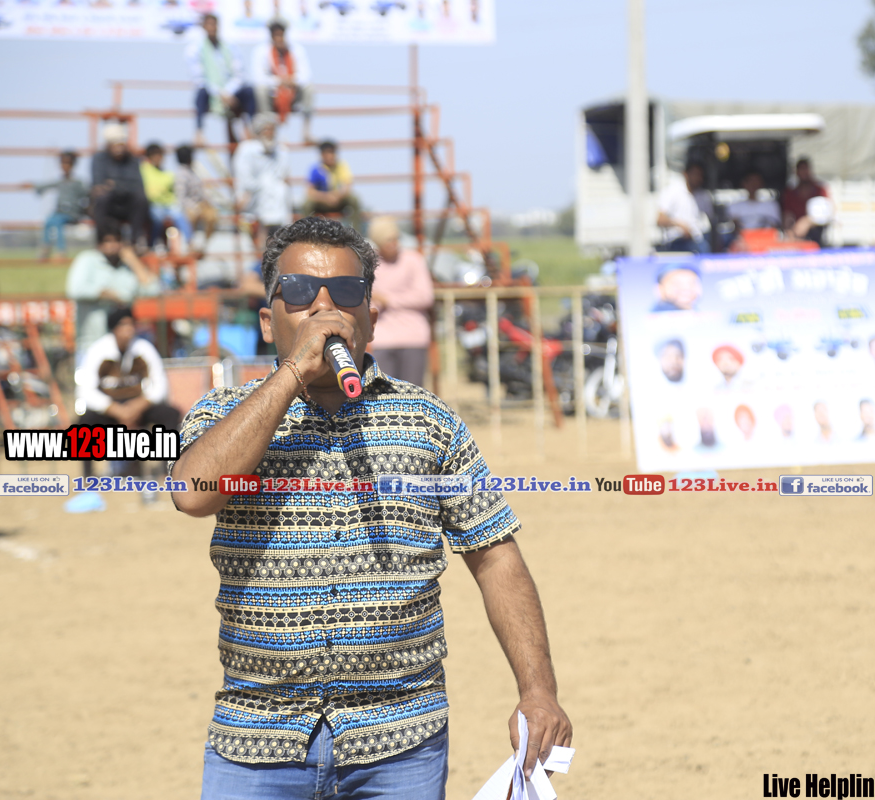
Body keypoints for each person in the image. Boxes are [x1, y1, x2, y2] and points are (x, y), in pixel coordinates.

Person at [169, 217, 571, 799]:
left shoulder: (429, 422)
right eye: (300, 292)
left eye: (346, 291)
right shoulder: (222, 414)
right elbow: (193, 492)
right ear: (268, 321)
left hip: (400, 739)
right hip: (257, 736)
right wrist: (292, 374)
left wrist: (538, 691)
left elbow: (496, 557)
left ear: (372, 319)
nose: (324, 308)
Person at [76, 306, 183, 480]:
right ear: (113, 328)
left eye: (131, 324)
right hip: (110, 407)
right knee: (85, 421)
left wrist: (139, 405)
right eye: (123, 325)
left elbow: (160, 385)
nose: (129, 329)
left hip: (139, 405)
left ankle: (167, 469)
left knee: (170, 414)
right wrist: (115, 409)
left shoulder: (144, 349)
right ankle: (88, 476)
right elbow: (86, 391)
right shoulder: (98, 351)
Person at [66, 221, 161, 358]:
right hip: (90, 345)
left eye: (117, 241)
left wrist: (133, 260)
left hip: (122, 349)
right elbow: (75, 289)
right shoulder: (87, 260)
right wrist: (105, 294)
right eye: (107, 241)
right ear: (99, 244)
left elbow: (153, 290)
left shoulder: (127, 268)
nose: (112, 246)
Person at [363, 216, 435, 387]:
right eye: (387, 241)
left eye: (395, 239)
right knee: (383, 395)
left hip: (413, 338)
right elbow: (368, 301)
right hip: (382, 340)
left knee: (412, 394)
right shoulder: (370, 264)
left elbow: (425, 296)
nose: (393, 244)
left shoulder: (414, 260)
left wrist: (388, 299)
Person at [186, 13, 256, 146]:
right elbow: (200, 79)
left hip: (232, 92)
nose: (212, 27)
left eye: (214, 24)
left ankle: (251, 129)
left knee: (249, 91)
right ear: (204, 27)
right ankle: (199, 132)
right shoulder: (195, 49)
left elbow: (240, 74)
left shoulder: (230, 46)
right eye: (209, 24)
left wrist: (228, 92)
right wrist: (221, 93)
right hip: (211, 93)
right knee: (200, 93)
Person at [234, 113, 292, 252]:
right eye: (267, 129)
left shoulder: (282, 151)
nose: (270, 133)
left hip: (277, 199)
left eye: (272, 129)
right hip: (253, 197)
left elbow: (284, 176)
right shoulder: (246, 150)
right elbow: (245, 179)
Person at [251, 19, 314, 143]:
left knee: (309, 88)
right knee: (260, 90)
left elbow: (306, 75)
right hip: (272, 94)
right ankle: (268, 131)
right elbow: (258, 78)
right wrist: (279, 81)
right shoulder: (262, 51)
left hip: (293, 92)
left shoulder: (296, 49)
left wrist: (291, 80)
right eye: (276, 35)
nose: (279, 38)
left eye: (281, 34)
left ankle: (306, 133)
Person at [90, 124, 149, 250]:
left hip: (128, 206)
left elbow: (138, 185)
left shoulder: (133, 160)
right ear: (108, 145)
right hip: (109, 206)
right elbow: (98, 186)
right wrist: (123, 186)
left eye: (121, 144)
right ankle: (103, 242)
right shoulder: (99, 159)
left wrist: (114, 185)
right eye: (116, 145)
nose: (119, 149)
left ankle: (135, 242)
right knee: (101, 199)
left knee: (141, 198)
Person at [34, 150, 89, 261]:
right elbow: (46, 185)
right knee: (48, 221)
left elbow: (88, 194)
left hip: (72, 213)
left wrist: (84, 209)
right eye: (63, 163)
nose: (65, 166)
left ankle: (61, 251)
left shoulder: (77, 183)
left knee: (56, 222)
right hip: (60, 212)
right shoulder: (60, 181)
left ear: (72, 165)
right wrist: (33, 185)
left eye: (68, 163)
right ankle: (45, 248)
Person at [140, 142, 194, 248]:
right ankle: (152, 245)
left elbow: (174, 192)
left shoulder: (168, 174)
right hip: (153, 204)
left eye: (160, 155)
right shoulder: (144, 170)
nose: (158, 158)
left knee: (180, 216)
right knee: (157, 218)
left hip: (169, 204)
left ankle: (190, 242)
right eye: (155, 155)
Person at [173, 144, 219, 257]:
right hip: (189, 207)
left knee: (212, 216)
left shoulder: (192, 172)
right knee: (191, 217)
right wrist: (194, 207)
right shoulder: (181, 174)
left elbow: (201, 191)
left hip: (200, 205)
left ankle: (203, 245)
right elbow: (181, 197)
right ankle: (191, 246)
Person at [306, 140, 362, 227]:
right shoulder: (316, 169)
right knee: (307, 204)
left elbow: (347, 187)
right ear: (322, 155)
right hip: (322, 202)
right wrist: (326, 197)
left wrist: (337, 196)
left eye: (332, 152)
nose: (330, 156)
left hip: (339, 200)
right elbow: (310, 192)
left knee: (354, 200)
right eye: (327, 153)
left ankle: (356, 231)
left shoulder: (342, 166)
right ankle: (306, 231)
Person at [656, 162, 709, 253]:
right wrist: (680, 225)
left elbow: (711, 217)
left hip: (697, 238)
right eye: (695, 174)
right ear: (686, 174)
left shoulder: (702, 195)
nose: (698, 178)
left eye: (700, 175)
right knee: (702, 248)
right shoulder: (673, 191)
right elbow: (660, 219)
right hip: (677, 240)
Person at [782, 157, 829, 244]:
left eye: (805, 169)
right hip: (795, 236)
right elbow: (788, 215)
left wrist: (808, 221)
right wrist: (789, 231)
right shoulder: (790, 193)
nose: (803, 172)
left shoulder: (820, 190)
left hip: (816, 236)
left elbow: (827, 213)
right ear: (796, 172)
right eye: (801, 169)